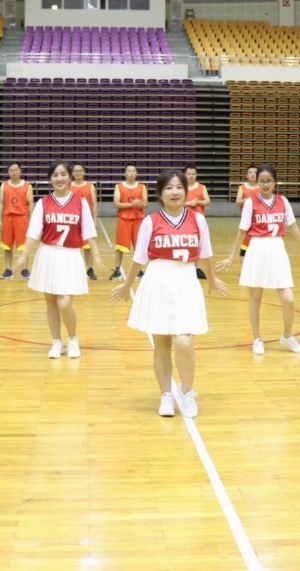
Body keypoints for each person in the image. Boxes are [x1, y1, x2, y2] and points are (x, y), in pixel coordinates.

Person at [110, 169, 228, 417]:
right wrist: (126, 285)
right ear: (160, 194)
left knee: (184, 342)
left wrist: (212, 280)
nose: (175, 192)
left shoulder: (198, 220)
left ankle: (187, 392)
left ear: (186, 191)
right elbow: (139, 259)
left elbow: (205, 255)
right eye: (169, 188)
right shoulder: (150, 222)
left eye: (179, 187)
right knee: (161, 344)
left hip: (186, 280)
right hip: (158, 280)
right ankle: (166, 395)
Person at [216, 164, 300, 355]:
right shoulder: (250, 202)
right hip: (257, 248)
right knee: (256, 298)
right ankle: (257, 338)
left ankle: (287, 336)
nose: (265, 184)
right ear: (257, 183)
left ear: (274, 182)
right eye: (261, 181)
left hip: (277, 248)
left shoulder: (283, 201)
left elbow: (293, 226)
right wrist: (231, 257)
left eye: (268, 181)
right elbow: (241, 232)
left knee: (288, 299)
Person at [13, 160, 107, 359]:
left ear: (70, 177)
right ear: (50, 179)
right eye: (55, 175)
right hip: (48, 254)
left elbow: (89, 232)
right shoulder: (43, 203)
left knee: (64, 303)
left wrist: (97, 257)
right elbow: (33, 232)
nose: (59, 178)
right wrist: (23, 257)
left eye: (63, 174)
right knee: (51, 303)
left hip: (71, 255)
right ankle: (56, 341)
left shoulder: (80, 202)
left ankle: (73, 338)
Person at [111, 164, 147, 280]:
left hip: (138, 220)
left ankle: (139, 271)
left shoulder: (142, 187)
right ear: (125, 174)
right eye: (129, 171)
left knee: (139, 247)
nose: (131, 173)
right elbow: (116, 204)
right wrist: (132, 204)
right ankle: (117, 270)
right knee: (119, 247)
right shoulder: (119, 186)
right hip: (124, 220)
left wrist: (140, 204)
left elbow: (145, 204)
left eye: (133, 171)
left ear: (136, 174)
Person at [0, 162, 33, 279]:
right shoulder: (4, 185)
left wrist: (32, 220)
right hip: (7, 218)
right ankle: (8, 269)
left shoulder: (27, 186)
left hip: (22, 218)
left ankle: (24, 269)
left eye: (15, 170)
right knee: (7, 246)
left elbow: (31, 204)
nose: (13, 172)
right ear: (8, 172)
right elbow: (1, 203)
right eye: (11, 170)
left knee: (23, 246)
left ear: (20, 171)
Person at [70, 163, 100, 280]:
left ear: (84, 172)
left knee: (87, 247)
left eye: (80, 171)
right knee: (73, 247)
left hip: (86, 221)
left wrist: (95, 220)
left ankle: (89, 269)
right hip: (73, 220)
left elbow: (94, 204)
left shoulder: (90, 186)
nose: (78, 173)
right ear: (72, 174)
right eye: (76, 171)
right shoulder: (68, 186)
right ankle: (74, 270)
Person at [184, 165, 211, 280]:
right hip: (185, 219)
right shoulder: (181, 187)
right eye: (189, 174)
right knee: (187, 243)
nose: (191, 176)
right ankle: (186, 265)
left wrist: (198, 202)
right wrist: (189, 203)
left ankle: (197, 268)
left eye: (193, 174)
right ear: (185, 175)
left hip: (199, 219)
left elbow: (208, 202)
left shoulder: (201, 187)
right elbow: (178, 203)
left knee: (198, 243)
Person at [234, 165, 260, 258]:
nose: (253, 174)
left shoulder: (262, 187)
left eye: (255, 172)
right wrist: (247, 199)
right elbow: (237, 202)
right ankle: (243, 270)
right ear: (247, 175)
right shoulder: (242, 187)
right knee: (245, 244)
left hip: (259, 222)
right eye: (250, 172)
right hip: (247, 222)